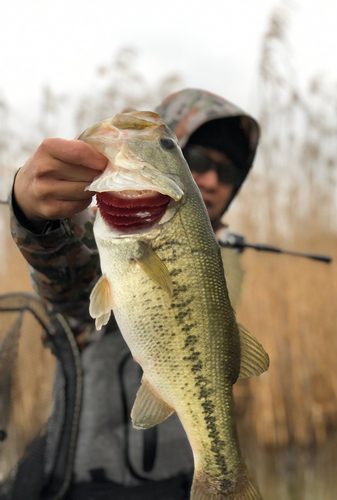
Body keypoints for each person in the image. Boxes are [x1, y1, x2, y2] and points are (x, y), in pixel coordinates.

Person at [8, 88, 260, 499]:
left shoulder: (227, 258)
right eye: (197, 160)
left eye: (228, 172)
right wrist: (33, 215)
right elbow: (71, 289)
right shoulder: (102, 227)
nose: (212, 180)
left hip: (182, 480)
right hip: (88, 479)